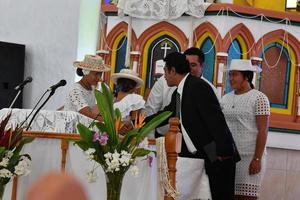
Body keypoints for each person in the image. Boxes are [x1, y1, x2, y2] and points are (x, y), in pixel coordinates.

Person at [160, 52, 240, 200]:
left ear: (172, 70)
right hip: (199, 154)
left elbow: (215, 120)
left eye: (165, 71)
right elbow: (165, 115)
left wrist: (223, 152)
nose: (163, 75)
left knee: (219, 194)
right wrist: (140, 125)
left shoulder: (197, 86)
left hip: (216, 152)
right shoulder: (178, 92)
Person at [220, 59, 270, 200]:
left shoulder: (259, 98)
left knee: (246, 197)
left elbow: (263, 130)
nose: (231, 79)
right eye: (230, 75)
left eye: (234, 75)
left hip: (249, 158)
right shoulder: (225, 99)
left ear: (246, 76)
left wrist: (257, 159)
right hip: (230, 159)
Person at [143, 47, 220, 137]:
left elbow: (215, 122)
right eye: (186, 64)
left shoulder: (206, 88)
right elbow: (165, 113)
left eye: (193, 65)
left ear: (202, 66)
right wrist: (138, 125)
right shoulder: (172, 87)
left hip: (197, 144)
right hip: (164, 138)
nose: (189, 69)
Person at [64, 55, 110, 121]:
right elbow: (89, 115)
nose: (99, 78)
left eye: (100, 74)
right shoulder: (75, 90)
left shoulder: (93, 89)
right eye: (96, 74)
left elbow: (96, 111)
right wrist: (111, 123)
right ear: (86, 72)